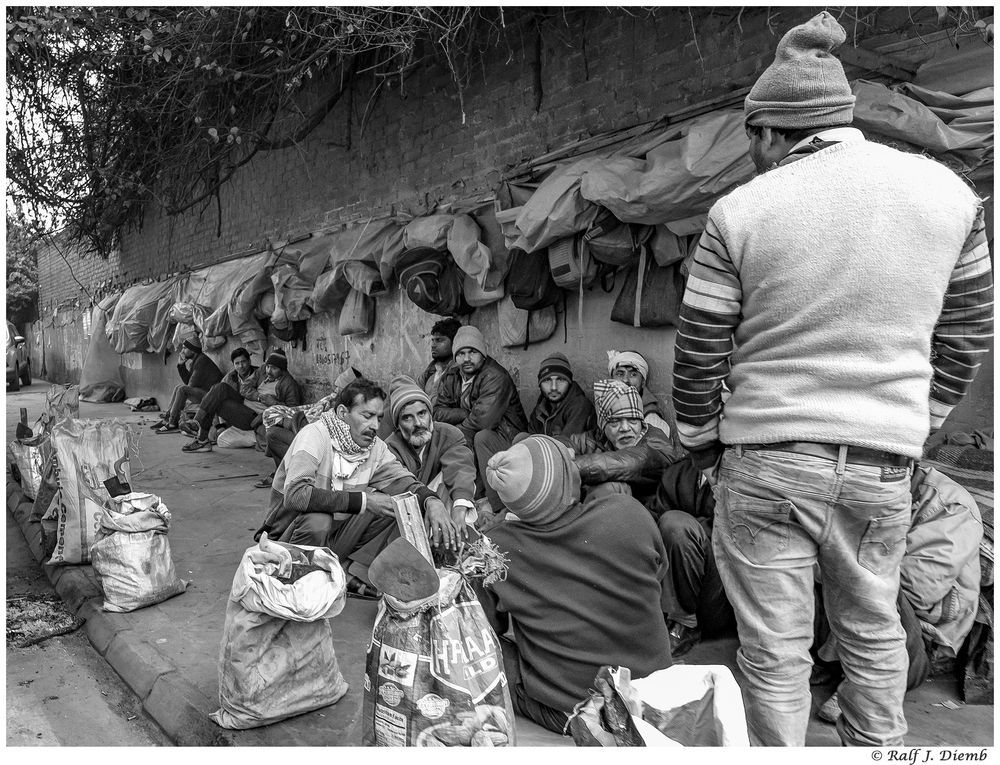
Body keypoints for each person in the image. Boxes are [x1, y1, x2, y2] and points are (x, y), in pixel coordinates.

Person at [671, 11, 993, 748]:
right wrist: (917, 421)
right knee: (874, 632)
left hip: (767, 459)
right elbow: (971, 329)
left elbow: (698, 351)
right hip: (882, 466)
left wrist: (697, 441)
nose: (752, 153)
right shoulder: (949, 196)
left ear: (772, 130)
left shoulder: (738, 212)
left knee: (776, 651)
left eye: (753, 136)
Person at [473, 435, 672, 734]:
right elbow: (659, 572)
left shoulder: (495, 548)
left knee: (483, 650)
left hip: (572, 712)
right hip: (653, 698)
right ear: (567, 478)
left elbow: (484, 628)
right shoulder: (627, 511)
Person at [255, 378, 459, 597]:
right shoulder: (315, 436)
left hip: (333, 538)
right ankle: (295, 583)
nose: (375, 426)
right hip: (290, 539)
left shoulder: (374, 447)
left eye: (379, 418)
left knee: (395, 502)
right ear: (343, 412)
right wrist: (363, 501)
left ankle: (339, 568)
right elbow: (296, 495)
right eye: (367, 416)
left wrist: (432, 501)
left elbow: (404, 482)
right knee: (324, 517)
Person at [813, 463, 984, 722]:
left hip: (918, 636)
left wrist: (833, 562)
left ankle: (861, 687)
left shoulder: (951, 506)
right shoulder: (859, 485)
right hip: (848, 607)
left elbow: (915, 590)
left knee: (872, 587)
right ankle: (828, 661)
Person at [339, 375, 479, 584]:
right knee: (396, 502)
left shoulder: (449, 435)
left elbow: (460, 468)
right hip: (405, 516)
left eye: (422, 414)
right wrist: (429, 503)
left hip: (440, 513)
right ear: (398, 424)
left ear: (431, 414)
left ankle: (447, 550)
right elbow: (402, 487)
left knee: (453, 489)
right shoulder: (389, 447)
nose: (418, 423)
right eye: (407, 418)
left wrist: (459, 508)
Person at [434, 325, 529, 513]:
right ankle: (460, 500)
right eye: (461, 353)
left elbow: (482, 422)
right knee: (444, 438)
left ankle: (497, 507)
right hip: (472, 433)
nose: (466, 359)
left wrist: (452, 433)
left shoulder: (495, 377)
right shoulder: (452, 375)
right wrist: (461, 414)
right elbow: (436, 411)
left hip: (505, 440)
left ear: (483, 354)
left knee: (475, 438)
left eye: (472, 352)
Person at [646, 455, 732, 658]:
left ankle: (684, 623)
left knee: (677, 526)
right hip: (680, 590)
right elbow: (655, 519)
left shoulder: (747, 472)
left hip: (727, 591)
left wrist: (694, 533)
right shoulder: (678, 472)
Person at [564, 379, 678, 504]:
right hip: (606, 515)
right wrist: (558, 449)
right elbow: (568, 442)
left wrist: (568, 466)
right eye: (615, 422)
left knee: (610, 488)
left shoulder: (656, 443)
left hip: (649, 516)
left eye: (633, 420)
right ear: (603, 426)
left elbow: (627, 462)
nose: (625, 428)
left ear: (641, 421)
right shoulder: (595, 439)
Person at [254, 366, 362, 488]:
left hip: (325, 456)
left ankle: (294, 477)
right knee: (273, 428)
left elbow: (316, 431)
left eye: (339, 389)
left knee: (273, 434)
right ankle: (283, 473)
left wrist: (291, 422)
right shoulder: (335, 401)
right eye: (336, 387)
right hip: (311, 437)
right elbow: (311, 411)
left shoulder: (347, 410)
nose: (335, 391)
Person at [182, 349, 302, 453]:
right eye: (268, 367)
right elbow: (244, 388)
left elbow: (294, 411)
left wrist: (274, 403)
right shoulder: (262, 371)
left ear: (283, 370)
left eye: (274, 368)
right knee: (220, 388)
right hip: (243, 405)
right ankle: (197, 423)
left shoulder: (289, 384)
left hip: (255, 418)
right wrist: (258, 397)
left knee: (217, 403)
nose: (269, 371)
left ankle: (202, 439)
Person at [153, 337, 223, 433]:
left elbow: (189, 386)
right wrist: (181, 365)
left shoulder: (201, 361)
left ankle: (172, 423)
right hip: (204, 393)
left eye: (185, 348)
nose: (182, 351)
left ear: (193, 350)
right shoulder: (196, 360)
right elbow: (189, 383)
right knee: (179, 387)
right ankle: (168, 418)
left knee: (182, 389)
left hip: (211, 396)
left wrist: (182, 367)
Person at [528, 352, 596, 437]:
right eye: (547, 380)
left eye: (560, 380)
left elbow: (566, 445)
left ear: (569, 382)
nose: (553, 387)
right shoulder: (540, 408)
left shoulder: (580, 406)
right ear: (540, 384)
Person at [606, 349, 671, 436]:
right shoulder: (606, 411)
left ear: (643, 382)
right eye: (620, 374)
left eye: (633, 374)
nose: (625, 380)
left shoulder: (651, 422)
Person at [417, 317, 462, 406]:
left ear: (454, 342)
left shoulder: (460, 372)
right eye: (433, 340)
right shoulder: (430, 371)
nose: (433, 345)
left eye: (439, 340)